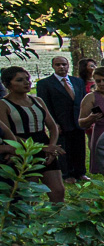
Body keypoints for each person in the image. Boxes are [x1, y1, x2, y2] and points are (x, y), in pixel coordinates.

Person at [0, 66, 66, 201]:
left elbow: (52, 127)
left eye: (27, 79)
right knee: (28, 191)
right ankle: (27, 220)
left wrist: (51, 147)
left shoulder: (38, 100)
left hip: (45, 143)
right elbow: (8, 134)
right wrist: (40, 148)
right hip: (22, 147)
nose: (27, 82)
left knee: (58, 190)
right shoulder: (3, 104)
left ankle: (58, 218)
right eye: (20, 80)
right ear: (8, 84)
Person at [36, 55, 86, 181]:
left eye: (64, 64)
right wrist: (53, 124)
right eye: (58, 64)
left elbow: (84, 101)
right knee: (64, 149)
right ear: (53, 66)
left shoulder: (77, 81)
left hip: (77, 121)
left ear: (68, 65)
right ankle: (67, 174)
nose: (61, 67)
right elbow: (45, 106)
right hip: (60, 122)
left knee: (79, 148)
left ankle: (80, 172)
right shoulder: (45, 84)